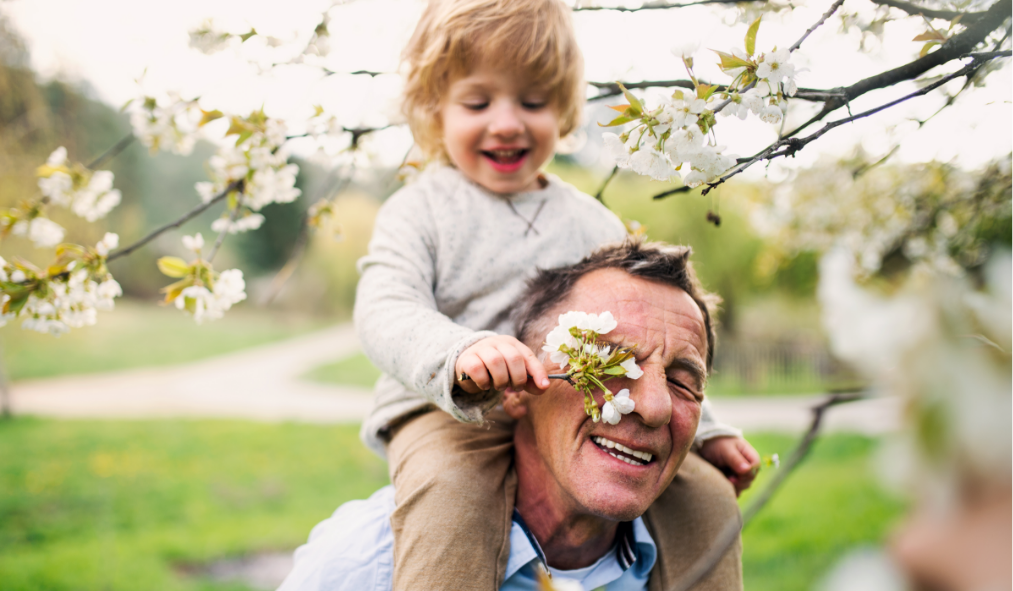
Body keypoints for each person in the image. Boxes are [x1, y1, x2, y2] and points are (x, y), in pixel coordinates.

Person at [353, 1, 760, 589]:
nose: (508, 122)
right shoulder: (420, 209)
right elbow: (384, 308)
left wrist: (708, 429)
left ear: (565, 111)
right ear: (434, 108)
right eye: (477, 102)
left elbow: (653, 342)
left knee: (705, 498)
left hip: (566, 402)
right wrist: (458, 355)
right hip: (444, 410)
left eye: (533, 102)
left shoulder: (591, 223)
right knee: (451, 497)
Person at [282, 239, 743, 591]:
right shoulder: (365, 566)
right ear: (516, 390)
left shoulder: (696, 557)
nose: (655, 407)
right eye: (609, 363)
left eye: (683, 381)